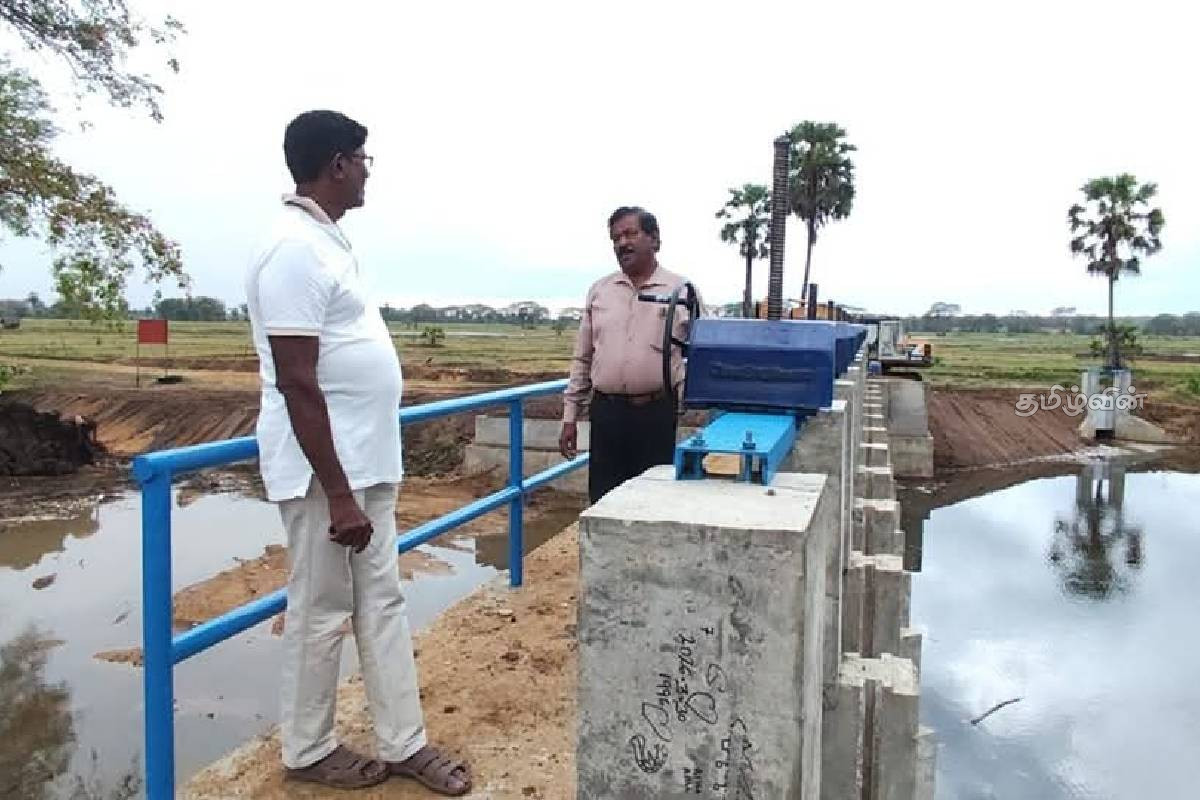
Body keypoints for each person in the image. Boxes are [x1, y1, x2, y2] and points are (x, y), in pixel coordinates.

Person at [244, 110, 470, 795]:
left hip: (367, 465)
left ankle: (405, 742)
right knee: (319, 611)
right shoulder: (290, 250)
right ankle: (308, 749)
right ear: (338, 163)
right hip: (326, 478)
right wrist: (337, 492)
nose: (370, 169)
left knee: (383, 603)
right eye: (364, 158)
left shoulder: (328, 242)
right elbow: (297, 382)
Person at [559, 206, 700, 503]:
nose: (622, 243)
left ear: (654, 239)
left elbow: (700, 356)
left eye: (631, 233)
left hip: (656, 414)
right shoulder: (600, 291)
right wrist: (569, 417)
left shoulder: (681, 291)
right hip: (607, 415)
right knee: (603, 502)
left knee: (652, 503)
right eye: (616, 238)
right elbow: (582, 358)